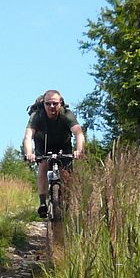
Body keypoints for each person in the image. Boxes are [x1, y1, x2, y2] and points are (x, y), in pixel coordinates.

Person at [22, 89, 84, 218]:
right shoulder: (37, 116)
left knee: (67, 173)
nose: (51, 106)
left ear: (60, 103)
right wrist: (29, 153)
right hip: (43, 143)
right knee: (43, 166)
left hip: (63, 144)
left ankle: (67, 202)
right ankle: (42, 203)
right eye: (48, 103)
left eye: (55, 103)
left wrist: (79, 150)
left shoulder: (67, 115)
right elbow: (28, 136)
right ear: (43, 104)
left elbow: (78, 133)